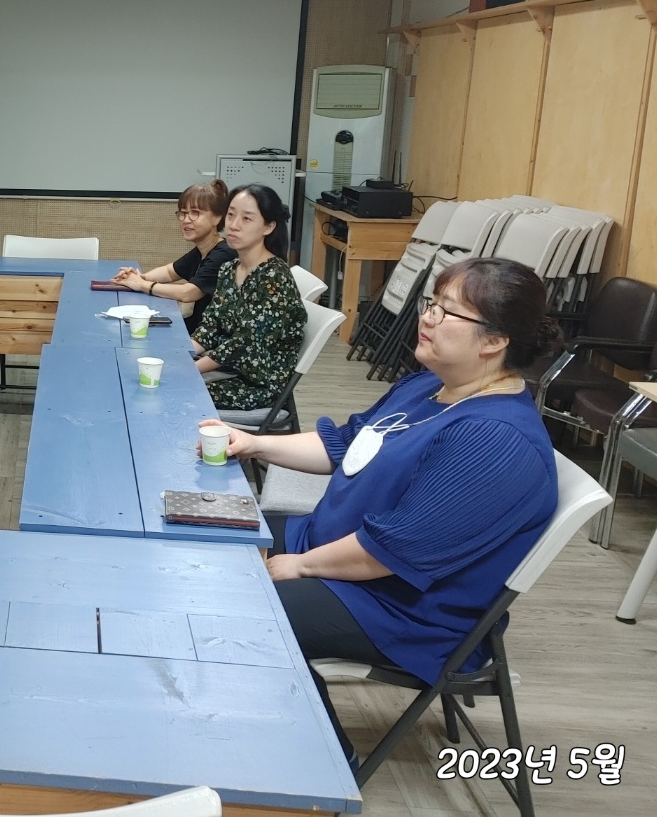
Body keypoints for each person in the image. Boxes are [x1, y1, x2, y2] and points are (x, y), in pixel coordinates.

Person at [201, 257, 561, 767]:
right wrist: (254, 443)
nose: (427, 317)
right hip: (335, 549)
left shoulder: (495, 438)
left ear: (494, 341)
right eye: (431, 303)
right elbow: (347, 444)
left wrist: (299, 565)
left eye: (447, 311)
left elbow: (392, 551)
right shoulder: (428, 386)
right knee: (209, 534)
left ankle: (325, 764)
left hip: (399, 608)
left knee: (240, 608)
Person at [191, 183, 305, 409]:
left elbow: (244, 344)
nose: (233, 225)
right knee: (163, 378)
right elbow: (211, 327)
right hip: (229, 369)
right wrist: (179, 354)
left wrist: (189, 369)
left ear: (268, 227)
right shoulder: (229, 269)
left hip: (257, 383)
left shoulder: (274, 277)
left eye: (246, 219)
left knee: (171, 389)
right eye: (231, 215)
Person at [110, 179, 235, 334]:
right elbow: (170, 272)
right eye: (183, 213)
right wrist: (138, 277)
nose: (186, 220)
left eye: (195, 213)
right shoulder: (201, 250)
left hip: (209, 340)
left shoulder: (224, 254)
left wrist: (142, 285)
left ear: (217, 217)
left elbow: (188, 293)